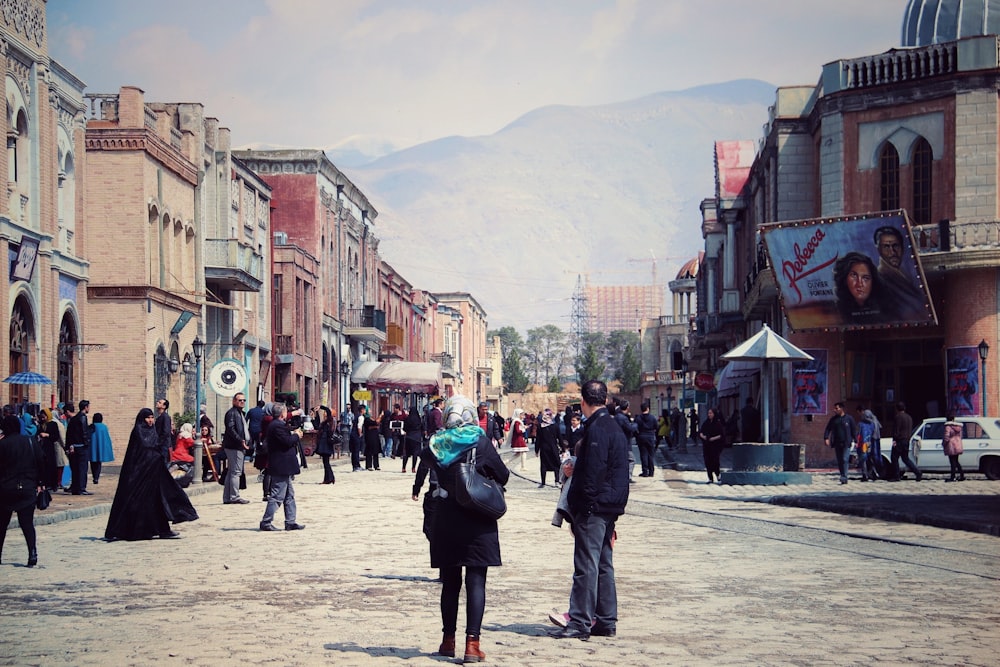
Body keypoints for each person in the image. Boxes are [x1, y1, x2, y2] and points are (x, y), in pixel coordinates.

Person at [421, 395, 509, 662]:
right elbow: (503, 475)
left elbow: (426, 463)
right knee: (476, 581)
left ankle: (448, 641)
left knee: (450, 583)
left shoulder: (436, 444)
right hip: (476, 517)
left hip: (446, 518)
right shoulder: (479, 440)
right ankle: (472, 644)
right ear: (471, 415)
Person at [551, 380, 628, 641]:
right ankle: (606, 620)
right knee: (604, 563)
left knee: (586, 564)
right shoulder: (615, 426)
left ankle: (580, 621)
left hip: (594, 507)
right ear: (605, 399)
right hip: (611, 505)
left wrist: (579, 507)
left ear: (584, 401)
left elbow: (593, 473)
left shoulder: (596, 428)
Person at [104, 408, 199, 541]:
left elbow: (156, 446)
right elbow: (141, 451)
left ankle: (163, 530)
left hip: (154, 472)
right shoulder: (138, 431)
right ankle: (132, 531)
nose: (150, 420)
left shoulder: (152, 431)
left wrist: (160, 453)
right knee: (137, 502)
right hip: (139, 474)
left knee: (158, 502)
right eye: (147, 418)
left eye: (151, 417)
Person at [0, 414, 44, 566]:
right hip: (27, 488)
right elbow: (41, 462)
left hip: (5, 490)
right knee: (27, 524)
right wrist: (41, 483)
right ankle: (32, 553)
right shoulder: (31, 442)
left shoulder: (2, 444)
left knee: (1, 525)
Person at [259, 402, 305, 532]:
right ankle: (266, 521)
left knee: (289, 495)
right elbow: (287, 442)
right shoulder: (276, 426)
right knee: (277, 495)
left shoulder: (278, 425)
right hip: (281, 465)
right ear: (282, 413)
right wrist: (296, 435)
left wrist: (293, 433)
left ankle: (290, 521)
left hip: (285, 466)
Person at [873, 226, 927, 321]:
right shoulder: (881, 279)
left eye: (896, 246)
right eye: (886, 246)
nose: (892, 252)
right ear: (878, 249)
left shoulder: (904, 274)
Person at [834, 251, 886, 323]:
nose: (860, 283)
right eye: (854, 275)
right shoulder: (837, 311)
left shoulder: (885, 308)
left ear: (873, 282)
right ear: (844, 279)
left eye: (865, 278)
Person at [221, 392, 251, 504]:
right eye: (240, 400)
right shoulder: (232, 413)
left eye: (244, 400)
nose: (242, 402)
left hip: (237, 445)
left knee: (232, 471)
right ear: (234, 401)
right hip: (234, 446)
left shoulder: (240, 413)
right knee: (236, 472)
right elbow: (231, 429)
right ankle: (234, 496)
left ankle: (228, 497)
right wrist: (240, 440)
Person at [824, 401, 857, 484]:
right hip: (837, 443)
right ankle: (842, 475)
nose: (835, 410)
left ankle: (845, 476)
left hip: (846, 442)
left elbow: (854, 430)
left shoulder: (849, 419)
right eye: (834, 408)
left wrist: (856, 440)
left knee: (845, 459)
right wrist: (826, 438)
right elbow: (828, 429)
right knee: (840, 460)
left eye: (837, 408)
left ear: (841, 409)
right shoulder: (834, 419)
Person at [889, 401, 922, 482]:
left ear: (897, 409)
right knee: (905, 458)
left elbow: (896, 430)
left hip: (899, 440)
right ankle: (917, 472)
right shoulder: (909, 417)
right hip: (907, 440)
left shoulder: (898, 417)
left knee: (894, 457)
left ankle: (896, 475)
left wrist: (894, 440)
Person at [65, 400, 93, 495]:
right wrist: (87, 443)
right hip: (81, 447)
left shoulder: (74, 419)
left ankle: (75, 487)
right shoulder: (82, 418)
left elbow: (69, 434)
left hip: (74, 447)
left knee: (75, 468)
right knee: (82, 468)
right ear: (85, 407)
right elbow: (84, 432)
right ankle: (81, 488)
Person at [37, 408, 64, 491]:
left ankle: (53, 484)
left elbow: (55, 437)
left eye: (44, 417)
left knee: (51, 466)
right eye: (41, 417)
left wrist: (47, 435)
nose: (42, 419)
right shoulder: (41, 425)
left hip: (50, 448)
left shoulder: (53, 424)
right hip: (42, 447)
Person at [698, 407, 726, 484]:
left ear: (714, 414)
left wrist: (713, 438)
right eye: (708, 413)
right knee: (707, 461)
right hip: (707, 445)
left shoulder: (718, 423)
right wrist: (703, 436)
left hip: (715, 445)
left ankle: (718, 475)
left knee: (715, 461)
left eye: (711, 413)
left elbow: (721, 435)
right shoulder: (706, 423)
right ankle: (710, 478)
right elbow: (701, 431)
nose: (709, 415)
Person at [535, 408, 561, 487]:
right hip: (553, 448)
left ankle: (543, 482)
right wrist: (563, 448)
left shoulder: (541, 426)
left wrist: (537, 450)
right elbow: (559, 438)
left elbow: (538, 439)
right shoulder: (555, 426)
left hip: (544, 448)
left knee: (544, 465)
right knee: (556, 464)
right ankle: (557, 481)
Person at [313, 405, 337, 485]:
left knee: (326, 462)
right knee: (325, 462)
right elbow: (317, 425)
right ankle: (329, 478)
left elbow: (327, 410)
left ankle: (330, 478)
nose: (325, 414)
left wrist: (320, 407)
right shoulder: (325, 422)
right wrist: (315, 413)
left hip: (326, 443)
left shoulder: (331, 420)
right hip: (323, 443)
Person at [634, 401, 658, 478]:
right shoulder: (652, 417)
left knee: (643, 454)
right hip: (650, 437)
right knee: (651, 455)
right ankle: (651, 472)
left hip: (641, 437)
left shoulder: (638, 418)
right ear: (648, 408)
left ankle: (645, 471)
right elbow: (656, 427)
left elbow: (635, 428)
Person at [89, 412, 114, 484]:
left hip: (92, 446)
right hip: (100, 446)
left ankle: (94, 476)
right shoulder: (104, 427)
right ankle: (96, 477)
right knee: (98, 463)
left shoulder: (91, 426)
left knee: (93, 462)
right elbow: (106, 438)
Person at [401, 403, 424, 473]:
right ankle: (413, 468)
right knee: (415, 454)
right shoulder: (419, 419)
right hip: (417, 438)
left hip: (409, 437)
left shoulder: (407, 419)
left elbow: (404, 428)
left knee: (406, 454)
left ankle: (403, 468)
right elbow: (422, 428)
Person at [942, 414, 965, 482]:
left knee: (952, 462)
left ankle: (953, 477)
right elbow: (961, 436)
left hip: (951, 445)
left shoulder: (948, 427)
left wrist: (944, 443)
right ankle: (962, 475)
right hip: (958, 444)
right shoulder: (959, 427)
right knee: (956, 461)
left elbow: (946, 436)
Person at [362, 405, 382, 471]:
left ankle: (376, 465)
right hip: (370, 436)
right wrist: (380, 416)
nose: (370, 411)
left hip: (375, 436)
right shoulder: (366, 419)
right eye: (369, 410)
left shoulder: (371, 418)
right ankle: (369, 465)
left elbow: (376, 424)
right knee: (369, 451)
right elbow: (375, 423)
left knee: (376, 451)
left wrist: (376, 425)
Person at [154, 398, 172, 466]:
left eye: (159, 402)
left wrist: (158, 442)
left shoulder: (165, 417)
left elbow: (166, 432)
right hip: (161, 445)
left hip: (163, 446)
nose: (157, 403)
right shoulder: (160, 417)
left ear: (164, 406)